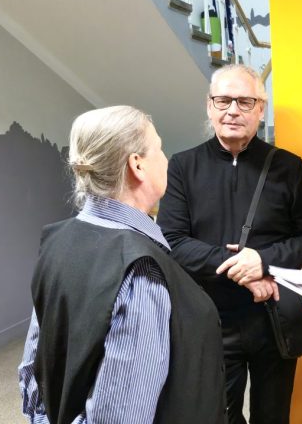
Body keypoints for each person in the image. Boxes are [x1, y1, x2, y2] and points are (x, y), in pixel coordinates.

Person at [18, 106, 225, 424]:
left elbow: (34, 371)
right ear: (137, 164)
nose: (166, 159)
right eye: (159, 148)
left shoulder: (56, 241)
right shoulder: (140, 270)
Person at [157, 64, 302, 424]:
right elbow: (171, 241)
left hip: (274, 318)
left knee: (273, 417)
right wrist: (242, 269)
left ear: (260, 109)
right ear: (209, 106)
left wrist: (261, 261)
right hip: (210, 319)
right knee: (219, 416)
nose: (233, 110)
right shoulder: (183, 166)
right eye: (223, 100)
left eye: (245, 102)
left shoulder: (289, 167)